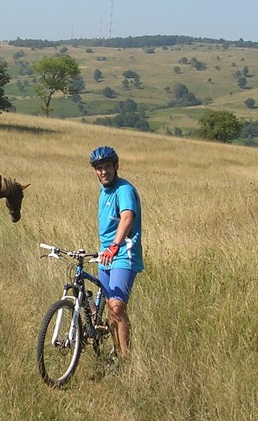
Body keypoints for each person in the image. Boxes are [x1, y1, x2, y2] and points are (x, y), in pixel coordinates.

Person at [90, 145, 143, 362]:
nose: (104, 171)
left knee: (117, 307)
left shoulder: (124, 190)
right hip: (106, 256)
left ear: (116, 167)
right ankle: (113, 350)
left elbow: (127, 218)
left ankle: (124, 359)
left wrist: (114, 246)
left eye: (107, 167)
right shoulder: (103, 192)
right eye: (99, 168)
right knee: (104, 307)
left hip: (124, 254)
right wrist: (106, 250)